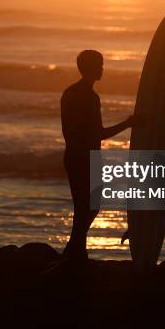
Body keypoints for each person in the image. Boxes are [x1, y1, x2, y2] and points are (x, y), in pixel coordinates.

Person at [61, 49, 136, 262]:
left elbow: (69, 131)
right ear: (92, 68)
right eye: (100, 65)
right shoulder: (90, 97)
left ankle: (76, 252)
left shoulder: (69, 92)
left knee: (84, 208)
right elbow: (99, 134)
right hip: (86, 158)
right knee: (90, 208)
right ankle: (73, 251)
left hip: (73, 156)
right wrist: (128, 123)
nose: (103, 68)